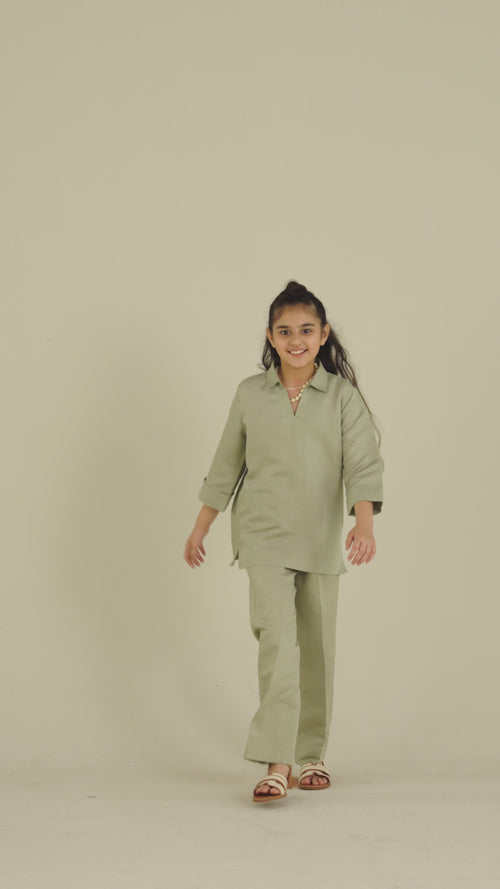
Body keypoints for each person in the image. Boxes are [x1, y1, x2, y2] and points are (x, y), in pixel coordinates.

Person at [184, 281, 384, 803]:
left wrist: (363, 523)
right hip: (263, 535)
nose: (296, 340)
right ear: (271, 337)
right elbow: (226, 463)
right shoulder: (250, 393)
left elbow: (362, 463)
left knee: (316, 648)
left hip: (319, 538)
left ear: (324, 335)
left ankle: (311, 754)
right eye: (285, 331)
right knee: (277, 644)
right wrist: (202, 525)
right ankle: (277, 761)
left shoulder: (341, 397)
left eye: (306, 330)